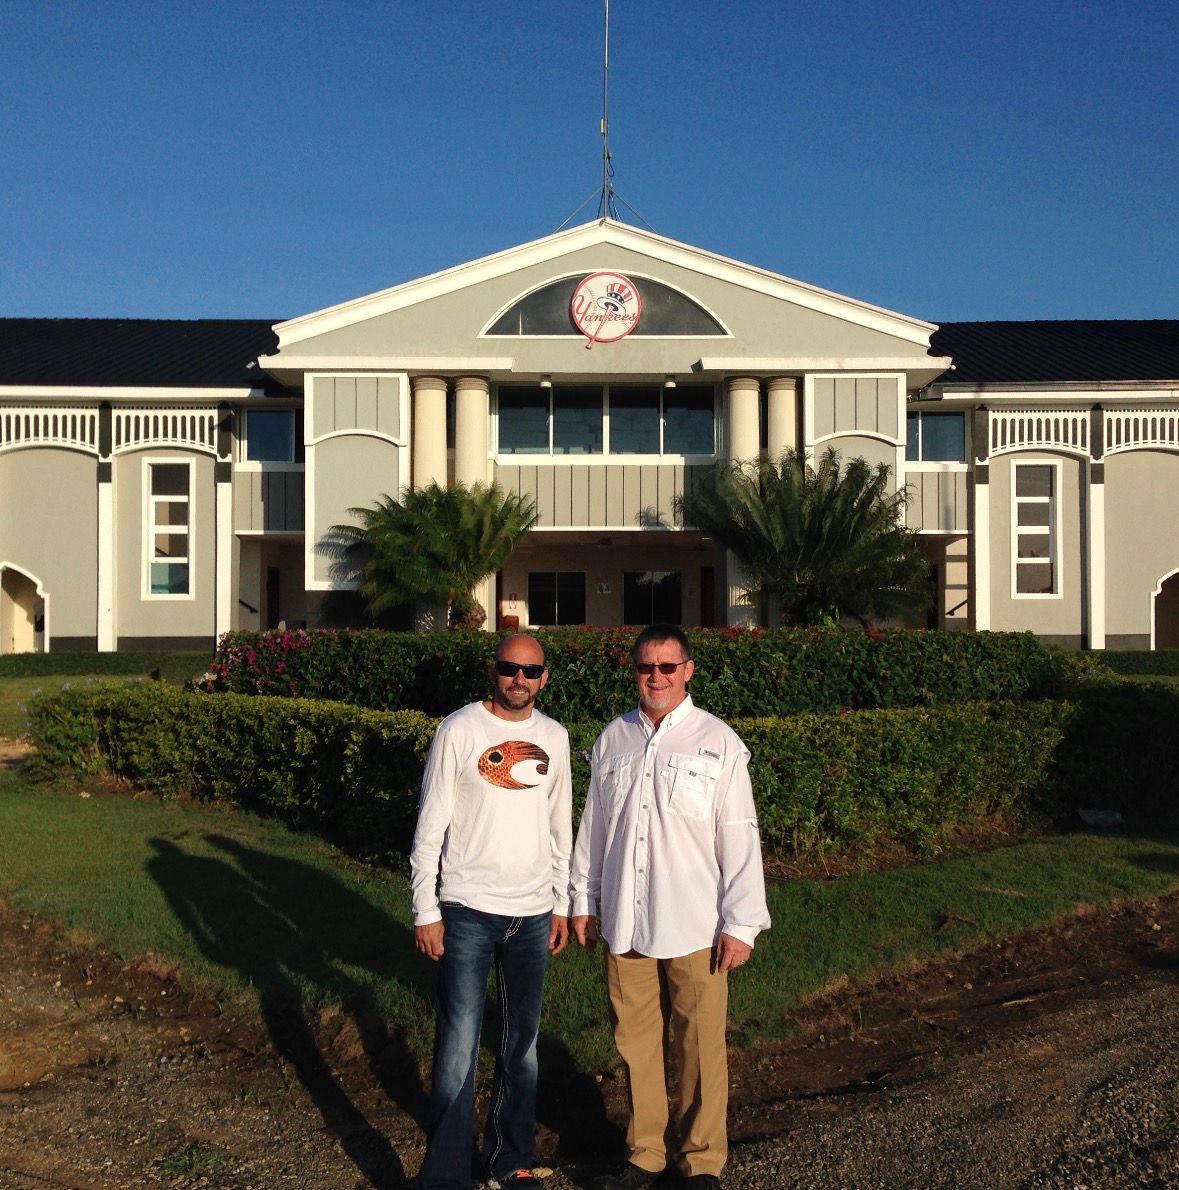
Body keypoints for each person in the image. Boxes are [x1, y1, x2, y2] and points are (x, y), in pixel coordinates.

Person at [571, 624, 770, 1190]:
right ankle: (646, 1154)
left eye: (667, 666)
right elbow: (595, 827)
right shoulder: (613, 739)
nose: (655, 677)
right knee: (634, 1043)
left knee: (700, 1044)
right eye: (644, 667)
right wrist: (584, 899)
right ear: (633, 671)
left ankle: (702, 1160)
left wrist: (742, 922)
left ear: (688, 671)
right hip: (627, 920)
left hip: (695, 922)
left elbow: (739, 834)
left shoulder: (718, 742)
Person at [411, 633, 573, 1189]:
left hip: (532, 913)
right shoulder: (459, 730)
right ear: (493, 671)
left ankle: (511, 1160)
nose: (519, 680)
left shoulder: (554, 736)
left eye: (530, 671)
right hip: (467, 909)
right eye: (509, 668)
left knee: (521, 1045)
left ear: (544, 677)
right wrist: (424, 908)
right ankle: (448, 1170)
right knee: (458, 1043)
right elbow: (430, 827)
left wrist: (561, 902)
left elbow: (560, 827)